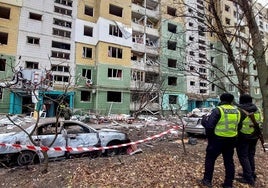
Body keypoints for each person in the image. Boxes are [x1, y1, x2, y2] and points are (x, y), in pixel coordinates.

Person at [200, 93, 242, 188]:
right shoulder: (237, 111)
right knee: (229, 162)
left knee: (210, 160)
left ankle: (207, 180)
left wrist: (204, 122)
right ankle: (228, 184)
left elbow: (210, 126)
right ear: (231, 101)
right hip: (231, 140)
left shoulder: (218, 110)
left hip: (217, 140)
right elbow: (239, 126)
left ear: (221, 100)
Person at [236, 94, 262, 186]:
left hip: (243, 136)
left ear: (241, 101)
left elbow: (237, 124)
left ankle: (248, 177)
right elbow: (260, 121)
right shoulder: (257, 109)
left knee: (243, 156)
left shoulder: (240, 110)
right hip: (254, 136)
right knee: (251, 155)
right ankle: (251, 173)